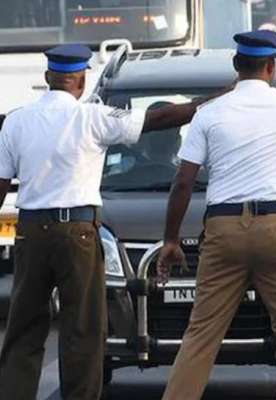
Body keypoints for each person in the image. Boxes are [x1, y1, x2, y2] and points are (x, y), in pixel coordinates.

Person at [0, 44, 222, 400]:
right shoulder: (94, 118)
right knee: (83, 329)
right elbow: (160, 119)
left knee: (24, 328)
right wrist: (216, 100)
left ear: (47, 78)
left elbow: (0, 183)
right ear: (82, 80)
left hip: (31, 234)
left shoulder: (17, 120)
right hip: (79, 234)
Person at [156, 30, 276, 400]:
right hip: (275, 228)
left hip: (222, 230)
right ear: (272, 67)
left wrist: (170, 239)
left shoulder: (208, 113)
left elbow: (182, 183)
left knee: (202, 333)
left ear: (235, 65)